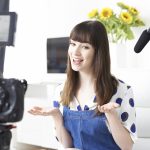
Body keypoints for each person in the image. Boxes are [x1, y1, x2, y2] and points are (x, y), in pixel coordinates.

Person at [28, 20, 137, 150]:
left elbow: (127, 146)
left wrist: (111, 115)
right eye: (73, 44)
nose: (75, 52)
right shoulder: (61, 91)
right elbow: (67, 145)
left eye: (85, 47)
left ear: (98, 52)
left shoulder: (121, 91)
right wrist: (56, 115)